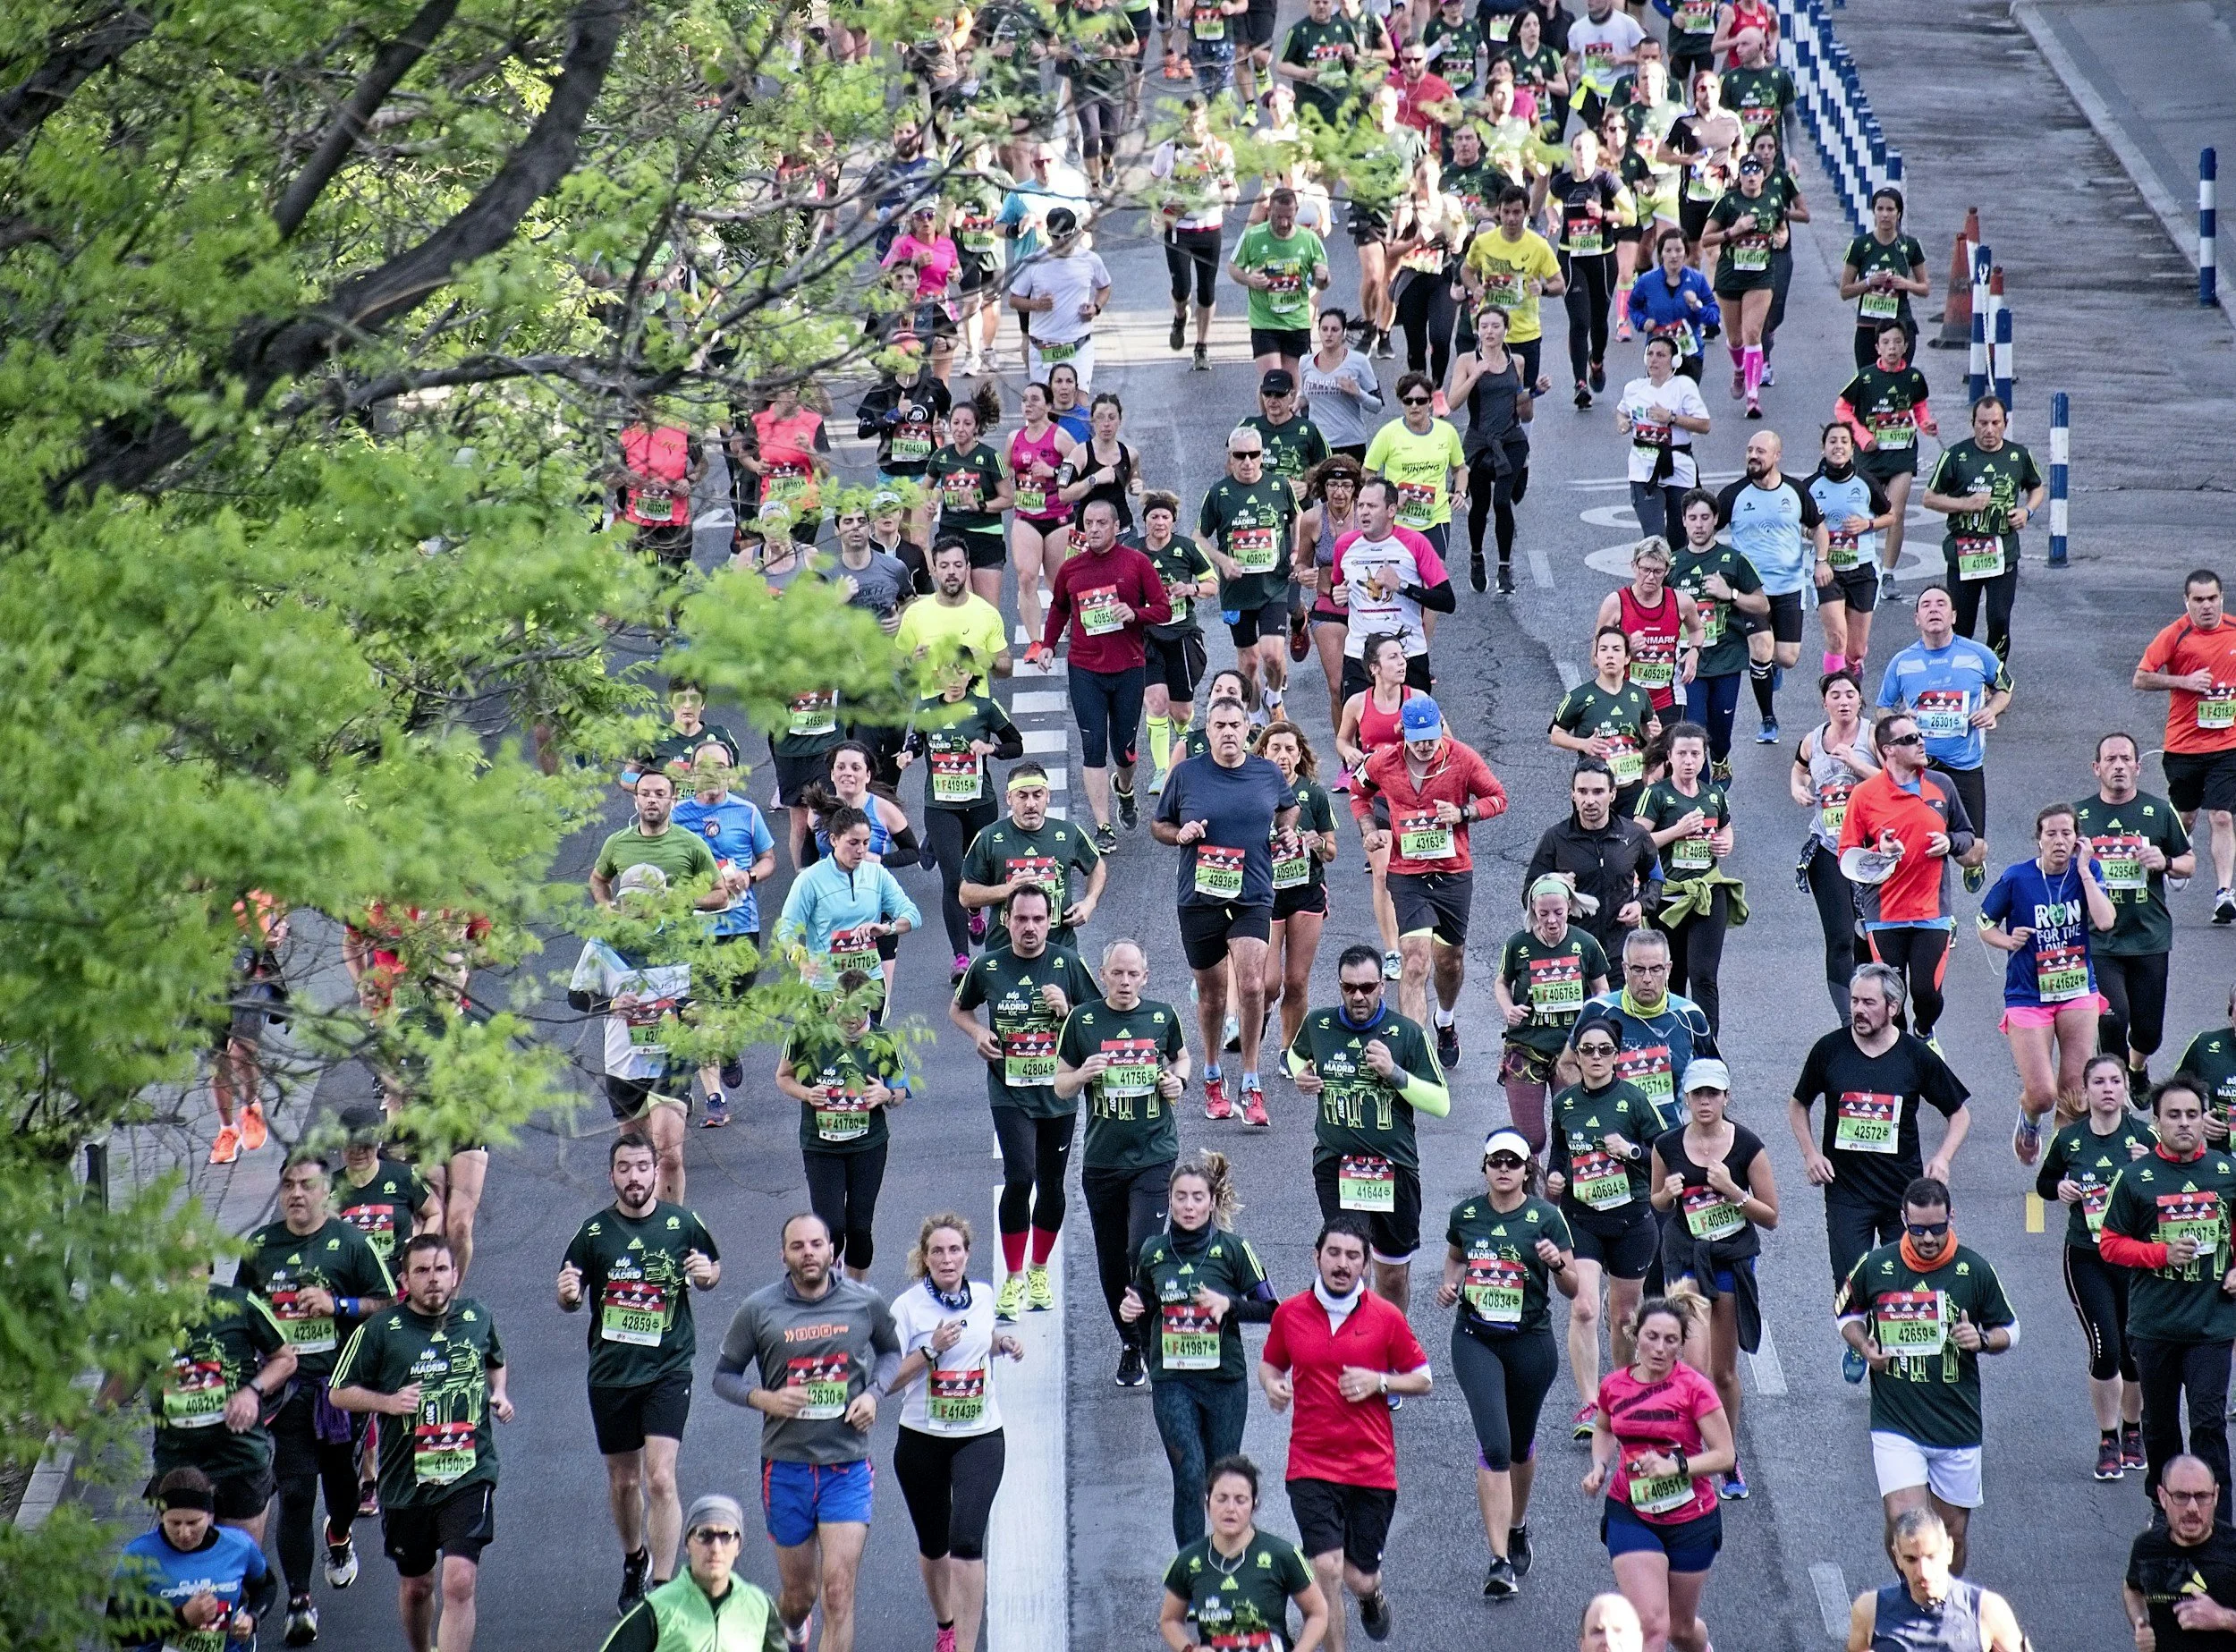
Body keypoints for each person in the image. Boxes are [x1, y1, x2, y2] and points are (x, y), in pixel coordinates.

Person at [713, 1215, 900, 1652]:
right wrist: (764, 1399)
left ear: (832, 1250)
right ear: (784, 1254)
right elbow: (723, 1376)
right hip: (786, 1466)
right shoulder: (759, 1309)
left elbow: (892, 1352)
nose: (809, 1253)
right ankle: (792, 1629)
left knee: (838, 1592)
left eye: (817, 1244)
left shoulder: (863, 1301)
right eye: (798, 1246)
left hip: (847, 1465)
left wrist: (873, 1394)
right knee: (801, 1596)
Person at [557, 1134, 722, 1611]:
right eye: (625, 1168)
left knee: (661, 1479)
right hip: (611, 1373)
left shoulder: (682, 1222)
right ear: (613, 1176)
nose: (634, 1177)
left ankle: (665, 1588)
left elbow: (712, 1270)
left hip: (668, 1368)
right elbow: (568, 1294)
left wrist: (708, 1275)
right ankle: (634, 1559)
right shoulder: (592, 1234)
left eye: (642, 1167)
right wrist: (568, 1294)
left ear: (656, 1172)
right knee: (624, 1482)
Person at [241, 1151, 396, 1647]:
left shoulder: (349, 1242)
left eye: (307, 1185)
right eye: (288, 1185)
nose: (296, 1194)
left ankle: (339, 1534)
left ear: (326, 1192)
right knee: (296, 1493)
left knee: (342, 1489)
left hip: (339, 1391)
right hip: (286, 1394)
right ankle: (299, 1601)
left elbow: (388, 1302)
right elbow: (241, 1310)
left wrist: (338, 1305)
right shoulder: (261, 1245)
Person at [329, 1234, 512, 1652]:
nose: (433, 1279)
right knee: (417, 1586)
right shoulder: (380, 1331)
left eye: (441, 1269)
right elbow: (339, 1392)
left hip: (470, 1469)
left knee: (460, 1580)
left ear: (456, 1274)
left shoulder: (476, 1316)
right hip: (407, 1480)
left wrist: (499, 1394)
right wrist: (387, 1402)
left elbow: (495, 1361)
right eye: (422, 1271)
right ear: (404, 1279)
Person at [1258, 1219, 1433, 1651]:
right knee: (1327, 1569)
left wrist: (1380, 1381)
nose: (1342, 1264)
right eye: (1333, 1253)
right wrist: (1272, 1385)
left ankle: (1372, 1596)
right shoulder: (1291, 1314)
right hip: (1311, 1463)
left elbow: (1424, 1377)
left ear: (1365, 1265)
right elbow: (1271, 1363)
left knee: (1358, 1576)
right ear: (1316, 1257)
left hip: (1370, 1467)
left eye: (1353, 1256)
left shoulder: (1385, 1318)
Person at [1836, 1175, 2016, 1578]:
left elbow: (2011, 1328)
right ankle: (1913, 1597)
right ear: (1903, 1220)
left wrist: (1984, 1339)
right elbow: (1847, 1314)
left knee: (1952, 1532)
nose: (1929, 1238)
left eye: (1937, 1228)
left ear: (1951, 1217)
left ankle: (1945, 1604)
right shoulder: (1877, 1265)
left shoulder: (1975, 1269)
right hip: (1895, 1421)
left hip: (1956, 1424)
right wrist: (1866, 1348)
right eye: (1918, 1230)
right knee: (1907, 1525)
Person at [1791, 961, 1971, 1324]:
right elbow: (1799, 1105)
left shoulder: (1915, 1056)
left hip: (1900, 1194)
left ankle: (1893, 1353)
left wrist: (1943, 1158)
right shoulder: (1830, 1050)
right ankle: (1857, 1341)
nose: (1858, 1009)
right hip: (1846, 1192)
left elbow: (1960, 1114)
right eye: (1855, 1001)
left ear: (1894, 1007)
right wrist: (1810, 1154)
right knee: (1849, 1282)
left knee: (1901, 1288)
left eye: (1869, 1003)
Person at [1439, 1129, 1579, 1598]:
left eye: (1513, 1163)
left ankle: (1518, 1524)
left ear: (1526, 1171)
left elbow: (1574, 1289)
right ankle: (1498, 1560)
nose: (1503, 1169)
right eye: (1495, 1161)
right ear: (1484, 1167)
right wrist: (1450, 1285)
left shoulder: (1546, 1217)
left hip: (1531, 1344)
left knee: (1520, 1446)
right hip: (1476, 1339)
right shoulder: (1467, 1215)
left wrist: (1557, 1264)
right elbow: (1456, 1258)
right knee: (1495, 1446)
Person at [951, 884, 1101, 1317]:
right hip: (1008, 1088)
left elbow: (1099, 1020)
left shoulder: (1067, 962)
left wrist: (1068, 1008)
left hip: (1058, 1090)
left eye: (1038, 919)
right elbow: (959, 1010)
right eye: (1021, 919)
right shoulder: (989, 965)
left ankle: (1039, 1270)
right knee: (1021, 1175)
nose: (1030, 927)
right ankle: (1013, 1277)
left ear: (1049, 920)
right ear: (1006, 921)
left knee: (1052, 1185)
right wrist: (979, 1033)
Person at [1054, 938, 1191, 1385]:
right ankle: (1131, 1342)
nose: (1126, 982)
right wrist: (1082, 1075)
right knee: (1112, 1263)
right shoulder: (1083, 1020)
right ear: (1105, 974)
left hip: (1154, 1153)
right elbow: (1060, 1084)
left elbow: (1182, 1060)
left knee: (1142, 1249)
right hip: (1102, 1161)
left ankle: (1154, 1338)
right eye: (1118, 973)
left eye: (1134, 974)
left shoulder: (1161, 1016)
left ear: (1146, 976)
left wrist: (1178, 1082)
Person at [1287, 945, 1453, 1309]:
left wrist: (1395, 1073)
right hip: (1337, 1163)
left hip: (1394, 1167)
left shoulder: (1407, 1033)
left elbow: (1441, 1104)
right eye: (1350, 988)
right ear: (1340, 986)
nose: (1359, 996)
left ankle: (1389, 1348)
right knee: (1351, 1263)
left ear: (1382, 985)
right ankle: (1352, 1348)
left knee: (1392, 1276)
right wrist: (1302, 1072)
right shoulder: (1319, 1024)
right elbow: (1296, 1053)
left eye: (1367, 987)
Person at [885, 1216, 1023, 1652]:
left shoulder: (982, 1295)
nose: (947, 1259)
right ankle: (946, 1622)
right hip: (922, 1437)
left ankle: (964, 1645)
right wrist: (931, 1350)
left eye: (955, 1250)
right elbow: (885, 1381)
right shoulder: (907, 1308)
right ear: (924, 1259)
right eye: (938, 1252)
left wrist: (1001, 1343)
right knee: (934, 1544)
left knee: (967, 1539)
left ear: (967, 1254)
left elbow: (981, 1338)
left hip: (980, 1434)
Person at [1124, 1154, 1279, 1544]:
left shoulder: (1233, 1250)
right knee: (1189, 1473)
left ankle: (1230, 1562)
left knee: (1223, 1479)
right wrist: (1134, 1312)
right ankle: (1191, 1575)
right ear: (1170, 1202)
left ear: (1212, 1202)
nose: (1189, 1207)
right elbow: (1141, 1302)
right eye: (1180, 1197)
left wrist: (1230, 1306)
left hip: (1224, 1381)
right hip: (1173, 1381)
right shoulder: (1152, 1252)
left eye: (1197, 1198)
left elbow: (1274, 1310)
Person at [1156, 695, 1294, 1123]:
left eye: (1236, 725)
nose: (1229, 732)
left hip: (1253, 893)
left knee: (1253, 984)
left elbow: (1289, 808)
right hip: (1199, 898)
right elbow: (1158, 825)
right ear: (1209, 731)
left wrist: (1287, 833)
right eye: (1220, 726)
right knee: (1214, 995)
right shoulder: (1187, 775)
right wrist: (1181, 835)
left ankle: (1251, 1081)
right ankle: (1213, 1074)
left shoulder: (1267, 773)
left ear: (1248, 730)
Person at [2098, 1075, 2236, 1500]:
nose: (2184, 1124)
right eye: (2173, 1115)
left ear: (2204, 1119)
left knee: (2209, 1422)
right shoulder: (2137, 1178)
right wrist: (2161, 1255)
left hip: (2211, 1323)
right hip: (2155, 1324)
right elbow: (2110, 1244)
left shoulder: (2226, 1172)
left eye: (2192, 1115)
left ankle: (2220, 1522)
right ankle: (2165, 1510)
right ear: (2157, 1121)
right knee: (2159, 1427)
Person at [1351, 695, 1505, 1059]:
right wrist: (1368, 828)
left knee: (1449, 960)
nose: (1424, 746)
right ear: (1402, 732)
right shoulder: (1382, 761)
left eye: (1431, 737)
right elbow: (1359, 792)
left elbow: (1498, 798)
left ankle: (1446, 1019)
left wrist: (1465, 811)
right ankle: (1413, 1054)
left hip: (1453, 872)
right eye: (1417, 737)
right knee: (1415, 959)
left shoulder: (1462, 758)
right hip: (1408, 873)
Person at [1582, 1288, 1734, 1652]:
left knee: (1679, 1630)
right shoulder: (1614, 1386)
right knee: (1650, 1625)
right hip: (1631, 1512)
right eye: (1652, 1337)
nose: (1660, 1348)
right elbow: (1604, 1428)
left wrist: (1675, 1468)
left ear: (1681, 1345)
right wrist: (1600, 1465)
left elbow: (1725, 1455)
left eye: (1671, 1340)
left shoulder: (1695, 1389)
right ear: (1636, 1336)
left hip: (1691, 1519)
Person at [1650, 1060, 1774, 1502]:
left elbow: (1771, 1216)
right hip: (1686, 1259)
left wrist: (1734, 1193)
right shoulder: (1666, 1145)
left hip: (1731, 1260)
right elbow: (1658, 1204)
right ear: (1685, 1098)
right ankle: (1687, 1455)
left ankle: (1728, 1454)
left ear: (1726, 1097)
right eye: (1697, 1094)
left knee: (1723, 1373)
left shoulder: (1747, 1147)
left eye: (1713, 1094)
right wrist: (1666, 1195)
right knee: (1696, 1365)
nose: (1705, 1102)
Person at [1546, 1011, 1661, 1440]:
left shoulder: (1633, 1100)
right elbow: (1559, 1154)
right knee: (1584, 1306)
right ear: (1577, 1056)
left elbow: (1665, 1154)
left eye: (1605, 1050)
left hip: (1631, 1220)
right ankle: (1590, 1405)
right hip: (1583, 1220)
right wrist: (1555, 1177)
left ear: (1617, 1055)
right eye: (1587, 1050)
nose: (1595, 1058)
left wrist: (1631, 1151)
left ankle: (1622, 1394)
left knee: (1624, 1316)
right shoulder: (1565, 1103)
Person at [2040, 1054, 2156, 1480]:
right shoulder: (2071, 1141)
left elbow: (2172, 1196)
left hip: (2135, 1259)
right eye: (2099, 1082)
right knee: (2105, 1345)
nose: (2108, 1089)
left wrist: (2153, 1164)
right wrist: (2062, 1189)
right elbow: (2044, 1185)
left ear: (2126, 1089)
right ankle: (2108, 1437)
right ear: (2086, 1091)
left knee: (2134, 1350)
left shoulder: (2145, 1137)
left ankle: (2132, 1430)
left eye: (2116, 1081)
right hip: (2087, 1256)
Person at [1982, 803, 2117, 1165]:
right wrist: (2007, 941)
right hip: (2028, 994)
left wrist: (2087, 871)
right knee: (2043, 1093)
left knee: (2074, 1093)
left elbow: (2105, 922)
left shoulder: (2087, 872)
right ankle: (2029, 1118)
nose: (2059, 840)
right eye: (2051, 834)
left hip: (2076, 991)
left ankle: (2063, 1162)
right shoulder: (2017, 878)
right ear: (2038, 840)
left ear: (2077, 839)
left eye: (2067, 833)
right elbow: (1984, 923)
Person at [1837, 709, 1978, 1047]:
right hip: (1885, 914)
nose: (1921, 743)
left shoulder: (1941, 785)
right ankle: (1901, 1055)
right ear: (1889, 750)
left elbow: (1967, 835)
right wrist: (1878, 850)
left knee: (1927, 993)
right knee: (1891, 997)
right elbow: (1846, 853)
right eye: (1911, 739)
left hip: (1932, 911)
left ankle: (1925, 1032)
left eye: (1920, 736)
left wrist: (1950, 843)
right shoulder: (1865, 795)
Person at [131, 1261, 295, 1549]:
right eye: (175, 1265)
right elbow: (130, 1374)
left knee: (236, 1565)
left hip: (238, 1456)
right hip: (178, 1460)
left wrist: (251, 1392)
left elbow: (285, 1359)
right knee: (186, 1560)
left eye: (191, 1264)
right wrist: (89, 1410)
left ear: (208, 1268)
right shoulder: (150, 1317)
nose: (183, 1274)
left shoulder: (240, 1304)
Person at [1045, 497, 1170, 851]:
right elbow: (1058, 609)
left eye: (1102, 523)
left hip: (1129, 668)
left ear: (1116, 527)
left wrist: (1134, 614)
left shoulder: (1136, 563)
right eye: (1089, 523)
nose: (1095, 530)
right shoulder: (1072, 570)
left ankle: (1125, 789)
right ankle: (1102, 826)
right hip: (1085, 668)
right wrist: (1049, 645)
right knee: (1092, 746)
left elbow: (1162, 608)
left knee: (1125, 751)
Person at [569, 868, 699, 1201]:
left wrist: (694, 1012)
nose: (636, 908)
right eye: (629, 901)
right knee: (635, 1162)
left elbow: (704, 992)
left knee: (669, 1155)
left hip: (672, 1060)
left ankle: (671, 1229)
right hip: (624, 1064)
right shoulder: (602, 943)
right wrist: (611, 1003)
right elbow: (577, 997)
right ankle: (641, 1226)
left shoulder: (681, 939)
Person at [2079, 733, 2195, 1091]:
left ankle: (2137, 1065)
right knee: (2113, 1020)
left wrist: (2166, 861)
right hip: (2100, 940)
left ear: (2138, 767)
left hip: (2148, 936)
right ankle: (2115, 1094)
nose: (2119, 766)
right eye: (2111, 760)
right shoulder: (2080, 815)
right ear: (2097, 768)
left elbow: (2189, 863)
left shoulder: (2159, 811)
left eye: (2126, 759)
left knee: (2148, 1033)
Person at [1876, 581, 2009, 890]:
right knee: (1915, 846)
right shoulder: (1902, 662)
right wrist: (1897, 718)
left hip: (1964, 766)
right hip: (1919, 768)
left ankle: (1963, 855)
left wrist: (1992, 710)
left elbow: (2005, 688)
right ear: (1917, 619)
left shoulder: (1979, 655)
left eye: (1941, 605)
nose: (1933, 609)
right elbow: (1882, 708)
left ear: (1953, 616)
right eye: (1926, 605)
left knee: (1972, 854)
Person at [778, 971, 910, 1281]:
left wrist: (886, 1094)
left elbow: (901, 1091)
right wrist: (807, 1093)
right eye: (845, 1010)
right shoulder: (806, 1035)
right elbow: (783, 1077)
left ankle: (856, 1295)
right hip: (821, 1145)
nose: (852, 1019)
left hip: (868, 1144)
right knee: (831, 1225)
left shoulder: (883, 1039)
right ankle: (828, 1288)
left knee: (860, 1227)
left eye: (860, 1010)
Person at [898, 657, 1023, 979]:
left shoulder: (985, 707)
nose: (955, 680)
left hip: (980, 803)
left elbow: (1016, 745)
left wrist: (991, 748)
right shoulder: (927, 708)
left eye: (962, 672)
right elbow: (916, 739)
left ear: (971, 675)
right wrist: (908, 755)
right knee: (953, 878)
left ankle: (977, 911)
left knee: (982, 875)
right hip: (940, 806)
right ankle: (961, 959)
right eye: (948, 672)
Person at [672, 747, 777, 1125]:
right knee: (700, 1014)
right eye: (704, 767)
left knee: (727, 1012)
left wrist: (748, 877)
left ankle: (729, 1048)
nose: (711, 774)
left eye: (720, 767)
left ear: (731, 772)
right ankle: (714, 1097)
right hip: (694, 932)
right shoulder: (677, 817)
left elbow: (768, 859)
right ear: (692, 773)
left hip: (740, 928)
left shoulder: (746, 812)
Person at [2135, 569, 2236, 928]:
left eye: (2212, 599)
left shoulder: (2234, 631)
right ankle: (2176, 856)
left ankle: (2225, 893)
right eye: (2199, 600)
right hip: (2184, 745)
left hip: (2228, 744)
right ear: (2187, 602)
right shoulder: (2176, 635)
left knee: (2221, 815)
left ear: (2222, 598)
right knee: (2186, 817)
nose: (2206, 606)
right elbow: (2141, 676)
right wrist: (2185, 682)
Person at [1715, 428, 1825, 741]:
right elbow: (1708, 529)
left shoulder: (1795, 491)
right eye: (1750, 450)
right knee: (1762, 649)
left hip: (1789, 586)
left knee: (1786, 657)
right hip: (1752, 590)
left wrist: (1821, 561)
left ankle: (1768, 664)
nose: (1753, 456)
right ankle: (1768, 718)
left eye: (1760, 451)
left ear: (1777, 455)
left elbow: (1819, 528)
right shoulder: (1734, 495)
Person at [1920, 395, 2044, 661]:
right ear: (1973, 423)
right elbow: (1929, 498)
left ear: (2005, 424)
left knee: (1999, 618)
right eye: (1983, 423)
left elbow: (2036, 486)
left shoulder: (2018, 455)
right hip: (1965, 552)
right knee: (1962, 622)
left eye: (1995, 423)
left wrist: (2027, 511)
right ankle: (1961, 674)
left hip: (2003, 550)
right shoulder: (1955, 455)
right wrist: (1964, 504)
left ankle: (1995, 677)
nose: (1989, 430)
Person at [1497, 878, 1613, 1156]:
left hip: (1572, 1050)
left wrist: (1591, 1015)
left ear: (1570, 907)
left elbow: (1602, 989)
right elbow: (1501, 982)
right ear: (1532, 911)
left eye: (1558, 912)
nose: (1551, 921)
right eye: (1543, 913)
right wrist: (1508, 1008)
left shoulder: (1585, 944)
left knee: (1574, 1133)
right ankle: (1528, 1194)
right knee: (1531, 1140)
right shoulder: (1518, 944)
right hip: (1526, 1048)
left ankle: (1562, 1193)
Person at [108, 1469, 280, 1652]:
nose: (184, 1533)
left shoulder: (239, 1546)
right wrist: (181, 1618)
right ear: (161, 1517)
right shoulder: (138, 1555)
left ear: (210, 1516)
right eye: (174, 1523)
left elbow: (266, 1586)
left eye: (193, 1522)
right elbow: (115, 1632)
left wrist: (252, 1618)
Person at [1197, 427, 1303, 719]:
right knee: (1249, 662)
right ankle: (1255, 716)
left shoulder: (1279, 485)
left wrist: (1295, 551)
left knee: (1272, 654)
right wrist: (1222, 561)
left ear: (1261, 456)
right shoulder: (1219, 493)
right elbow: (1198, 537)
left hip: (1274, 585)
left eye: (1253, 455)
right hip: (1238, 592)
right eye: (1239, 455)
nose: (1247, 462)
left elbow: (1297, 516)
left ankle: (1275, 694)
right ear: (1230, 457)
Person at [1635, 722, 1734, 1034]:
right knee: (1674, 976)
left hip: (1707, 893)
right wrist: (1677, 831)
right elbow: (1636, 843)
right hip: (1668, 897)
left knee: (1704, 975)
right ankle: (1676, 1040)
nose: (1689, 761)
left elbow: (1725, 829)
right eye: (1682, 754)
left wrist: (1725, 842)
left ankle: (1708, 1046)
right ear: (1669, 757)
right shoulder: (1656, 795)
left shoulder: (1714, 795)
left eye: (1695, 754)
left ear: (1704, 758)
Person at [1793, 671, 1881, 1017]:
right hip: (1828, 849)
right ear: (1824, 702)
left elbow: (1897, 780)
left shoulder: (1873, 736)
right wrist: (1798, 788)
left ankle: (1879, 1011)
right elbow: (1799, 768)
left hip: (1872, 851)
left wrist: (1857, 764)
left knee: (1869, 939)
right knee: (1841, 938)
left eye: (1849, 694)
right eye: (1835, 695)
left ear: (1860, 700)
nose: (1843, 701)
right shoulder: (1813, 740)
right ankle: (1849, 1020)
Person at [598, 1494, 786, 1652]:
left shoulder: (760, 1606)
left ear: (739, 1546)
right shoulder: (659, 1608)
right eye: (705, 1535)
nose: (715, 1548)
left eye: (726, 1536)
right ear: (687, 1544)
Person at [1574, 928, 1716, 1137]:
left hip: (1670, 1140)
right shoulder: (1598, 1011)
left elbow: (1714, 1076)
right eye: (1638, 969)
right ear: (1625, 969)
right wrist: (1592, 1107)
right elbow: (1568, 1064)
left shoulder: (1689, 1016)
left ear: (1668, 969)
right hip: (1611, 1138)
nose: (1647, 978)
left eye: (1656, 969)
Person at [1666, 488, 1767, 778]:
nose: (1699, 525)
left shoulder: (1733, 560)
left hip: (1726, 659)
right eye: (1692, 518)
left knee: (1720, 733)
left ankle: (1721, 757)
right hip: (1690, 662)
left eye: (1705, 518)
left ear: (1715, 520)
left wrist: (1730, 593)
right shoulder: (1672, 564)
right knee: (1695, 730)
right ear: (1683, 521)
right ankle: (1702, 791)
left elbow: (1761, 605)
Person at [773, 804, 921, 997]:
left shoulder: (877, 874)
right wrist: (802, 962)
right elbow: (786, 929)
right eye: (853, 843)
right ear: (834, 840)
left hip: (868, 984)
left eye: (866, 842)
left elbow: (913, 916)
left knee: (870, 1029)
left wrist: (886, 928)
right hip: (825, 986)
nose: (861, 850)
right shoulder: (810, 879)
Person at [1525, 759, 1659, 966]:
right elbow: (1528, 894)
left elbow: (1655, 879)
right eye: (1583, 792)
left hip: (1620, 953)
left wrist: (1641, 905)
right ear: (1573, 794)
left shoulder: (1635, 835)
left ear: (1612, 794)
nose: (1589, 800)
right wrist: (1550, 883)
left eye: (1598, 792)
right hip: (1570, 952)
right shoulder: (1556, 838)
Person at [958, 762, 1105, 949]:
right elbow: (965, 895)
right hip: (1004, 952)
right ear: (1009, 798)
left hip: (1059, 950)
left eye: (1037, 795)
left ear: (1048, 796)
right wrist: (1007, 890)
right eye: (1022, 796)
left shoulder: (1068, 833)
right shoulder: (989, 838)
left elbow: (1097, 865)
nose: (1030, 804)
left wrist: (1089, 902)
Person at [1834, 320, 1935, 589]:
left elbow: (1920, 407)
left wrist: (1926, 424)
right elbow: (1842, 409)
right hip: (1870, 455)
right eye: (1886, 343)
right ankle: (1858, 566)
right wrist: (1863, 437)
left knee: (1896, 512)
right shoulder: (1866, 378)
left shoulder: (1914, 378)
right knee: (1864, 511)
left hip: (1902, 454)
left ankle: (1888, 573)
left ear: (1905, 346)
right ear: (1877, 347)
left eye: (1897, 343)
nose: (1892, 348)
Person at [1849, 1507, 2028, 1652]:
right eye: (1911, 1559)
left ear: (1949, 1550)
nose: (1923, 1572)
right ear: (1897, 1557)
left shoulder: (1987, 1610)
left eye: (1931, 1557)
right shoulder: (1870, 1610)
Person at [1331, 480, 1447, 702]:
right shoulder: (1345, 545)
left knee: (1413, 733)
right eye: (1361, 505)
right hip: (1360, 656)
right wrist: (1338, 597)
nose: (1364, 512)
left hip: (1407, 655)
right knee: (1362, 733)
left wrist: (1402, 586)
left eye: (1372, 506)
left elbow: (1446, 601)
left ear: (1391, 510)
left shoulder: (1416, 543)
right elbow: (1336, 588)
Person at [1263, 723, 1339, 1052]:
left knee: (1295, 981)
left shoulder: (1314, 793)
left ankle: (1288, 1049)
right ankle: (1261, 1010)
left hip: (1306, 891)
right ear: (1263, 753)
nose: (1282, 755)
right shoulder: (1252, 791)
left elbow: (1332, 852)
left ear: (1300, 755)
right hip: (1264, 895)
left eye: (1289, 749)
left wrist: (1316, 841)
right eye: (1275, 748)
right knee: (1268, 983)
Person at [1447, 305, 1533, 595]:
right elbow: (1452, 402)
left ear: (1506, 329)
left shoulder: (1516, 360)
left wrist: (1535, 393)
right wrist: (1475, 376)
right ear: (1478, 331)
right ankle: (1476, 557)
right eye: (1484, 326)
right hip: (1480, 442)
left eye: (1496, 326)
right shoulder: (1467, 361)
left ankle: (1505, 568)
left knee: (1501, 502)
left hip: (1511, 439)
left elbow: (1519, 401)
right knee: (1481, 506)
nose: (1490, 332)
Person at [1152, 97, 1240, 371]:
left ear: (1206, 120)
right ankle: (1180, 316)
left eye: (1198, 120)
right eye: (1188, 121)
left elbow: (1231, 189)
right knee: (1182, 289)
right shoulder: (1168, 150)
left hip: (1210, 227)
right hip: (1178, 228)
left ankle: (1201, 346)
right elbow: (1154, 186)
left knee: (1207, 289)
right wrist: (1159, 209)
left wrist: (1228, 197)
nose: (1193, 126)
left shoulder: (1220, 150)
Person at [1806, 421, 1898, 680]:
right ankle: (1834, 691)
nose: (1838, 446)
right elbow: (1799, 524)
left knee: (1855, 649)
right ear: (1823, 448)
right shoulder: (1811, 486)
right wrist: (1814, 531)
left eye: (1844, 441)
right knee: (1836, 637)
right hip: (1827, 570)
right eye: (1832, 441)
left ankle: (1853, 665)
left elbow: (1890, 516)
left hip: (1862, 569)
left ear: (1852, 449)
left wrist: (1867, 524)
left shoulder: (1866, 481)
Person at [2125, 1455, 2236, 1651]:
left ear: (2216, 1495)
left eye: (2202, 1496)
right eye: (2181, 1496)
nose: (2192, 1508)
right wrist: (2140, 1622)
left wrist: (2224, 1618)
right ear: (2162, 1496)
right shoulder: (2146, 1547)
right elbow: (2132, 1588)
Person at [1462, 186, 1565, 397]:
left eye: (1517, 212)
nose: (1511, 218)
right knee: (1492, 397)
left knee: (1524, 400)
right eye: (1506, 212)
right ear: (1498, 211)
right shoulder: (1483, 242)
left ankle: (1522, 430)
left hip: (1526, 333)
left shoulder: (1538, 246)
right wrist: (1475, 288)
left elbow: (1559, 284)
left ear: (1527, 213)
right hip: (1492, 334)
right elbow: (1466, 270)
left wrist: (1543, 289)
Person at [1551, 626, 1660, 814]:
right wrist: (1584, 744)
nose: (1610, 655)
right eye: (1603, 649)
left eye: (1616, 649)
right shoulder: (1579, 697)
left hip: (1632, 788)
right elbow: (1556, 734)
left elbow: (1647, 735)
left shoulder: (1639, 695)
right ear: (1596, 658)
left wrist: (1655, 734)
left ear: (1627, 658)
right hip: (1595, 791)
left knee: (1632, 841)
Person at [1594, 537, 1702, 723]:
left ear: (1667, 570)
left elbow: (1697, 630)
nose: (1651, 577)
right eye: (1645, 570)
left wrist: (1694, 651)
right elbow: (1596, 659)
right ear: (1634, 566)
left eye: (1658, 571)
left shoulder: (1681, 602)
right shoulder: (1616, 603)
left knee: (1667, 751)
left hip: (1669, 698)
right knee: (1634, 752)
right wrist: (1626, 649)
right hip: (1625, 695)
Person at [1614, 338, 1709, 544]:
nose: (1653, 360)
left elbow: (1704, 425)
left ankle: (1677, 575)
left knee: (1680, 538)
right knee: (1655, 537)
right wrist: (1623, 423)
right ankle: (1655, 574)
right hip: (1644, 468)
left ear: (1674, 361)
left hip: (1679, 467)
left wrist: (1672, 418)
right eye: (1650, 354)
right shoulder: (1634, 388)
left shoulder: (1684, 387)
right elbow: (1621, 411)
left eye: (1661, 355)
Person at [1362, 374, 1468, 558]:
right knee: (1399, 579)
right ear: (1401, 403)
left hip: (1436, 519)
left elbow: (1459, 469)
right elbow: (1367, 473)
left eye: (1420, 400)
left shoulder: (1447, 432)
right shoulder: (1388, 434)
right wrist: (1391, 497)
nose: (1414, 406)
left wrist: (1460, 492)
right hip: (1398, 521)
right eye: (1408, 400)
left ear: (1430, 402)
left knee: (1433, 577)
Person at [1230, 187, 1331, 377]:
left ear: (1296, 211)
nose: (1284, 223)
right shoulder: (1253, 237)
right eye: (1278, 218)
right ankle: (1265, 408)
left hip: (1297, 322)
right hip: (1264, 321)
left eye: (1289, 217)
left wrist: (1322, 278)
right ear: (1269, 212)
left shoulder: (1309, 240)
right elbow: (1233, 268)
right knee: (1273, 381)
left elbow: (1323, 283)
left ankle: (1286, 408)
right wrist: (1249, 279)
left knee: (1293, 384)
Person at [1009, 208, 1112, 388]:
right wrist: (1036, 304)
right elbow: (1014, 300)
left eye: (1067, 236)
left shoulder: (1090, 260)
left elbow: (1104, 287)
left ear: (1077, 233)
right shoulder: (1033, 262)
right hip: (1044, 348)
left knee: (1079, 403)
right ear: (1048, 233)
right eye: (1056, 236)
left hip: (1079, 345)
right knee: (1045, 408)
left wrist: (1096, 307)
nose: (1062, 241)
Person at [591, 767, 724, 905]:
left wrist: (686, 900)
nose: (652, 800)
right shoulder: (616, 843)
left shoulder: (692, 844)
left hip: (679, 925)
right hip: (631, 925)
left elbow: (720, 894)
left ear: (673, 799)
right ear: (636, 799)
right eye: (645, 794)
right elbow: (598, 879)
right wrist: (606, 907)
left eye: (660, 794)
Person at [1838, 186, 1931, 368]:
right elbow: (1844, 291)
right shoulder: (1860, 245)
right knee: (1868, 382)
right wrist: (1869, 282)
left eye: (1890, 209)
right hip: (1868, 327)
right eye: (1880, 209)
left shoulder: (1910, 245)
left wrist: (1905, 284)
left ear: (1899, 213)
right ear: (1873, 212)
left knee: (1898, 379)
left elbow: (1925, 288)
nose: (1885, 215)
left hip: (1900, 325)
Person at [1302, 307, 1385, 465]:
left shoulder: (1358, 361)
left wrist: (1358, 393)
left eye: (1334, 329)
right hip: (1318, 443)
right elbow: (1304, 396)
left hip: (1350, 443)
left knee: (1348, 489)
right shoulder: (1305, 362)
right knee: (1317, 489)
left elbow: (1377, 406)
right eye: (1324, 329)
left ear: (1344, 333)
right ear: (1318, 331)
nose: (1329, 334)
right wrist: (1295, 404)